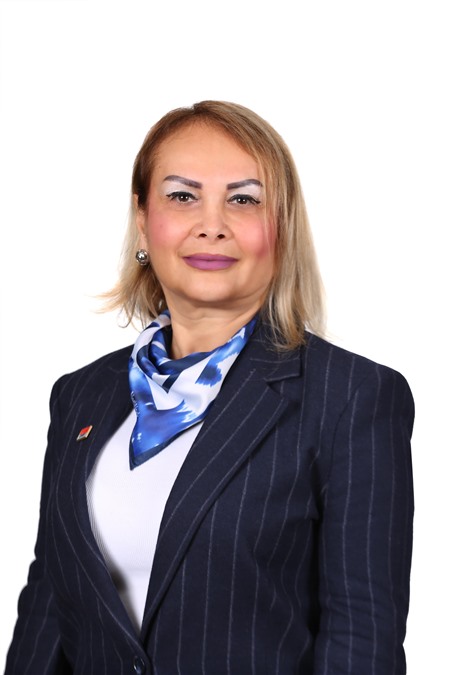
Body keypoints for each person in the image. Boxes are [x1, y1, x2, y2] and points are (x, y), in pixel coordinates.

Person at [5, 100, 414, 675]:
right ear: (143, 219)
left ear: (282, 227)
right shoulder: (80, 395)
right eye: (182, 196)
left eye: (243, 200)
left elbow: (362, 640)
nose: (212, 224)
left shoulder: (352, 397)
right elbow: (49, 610)